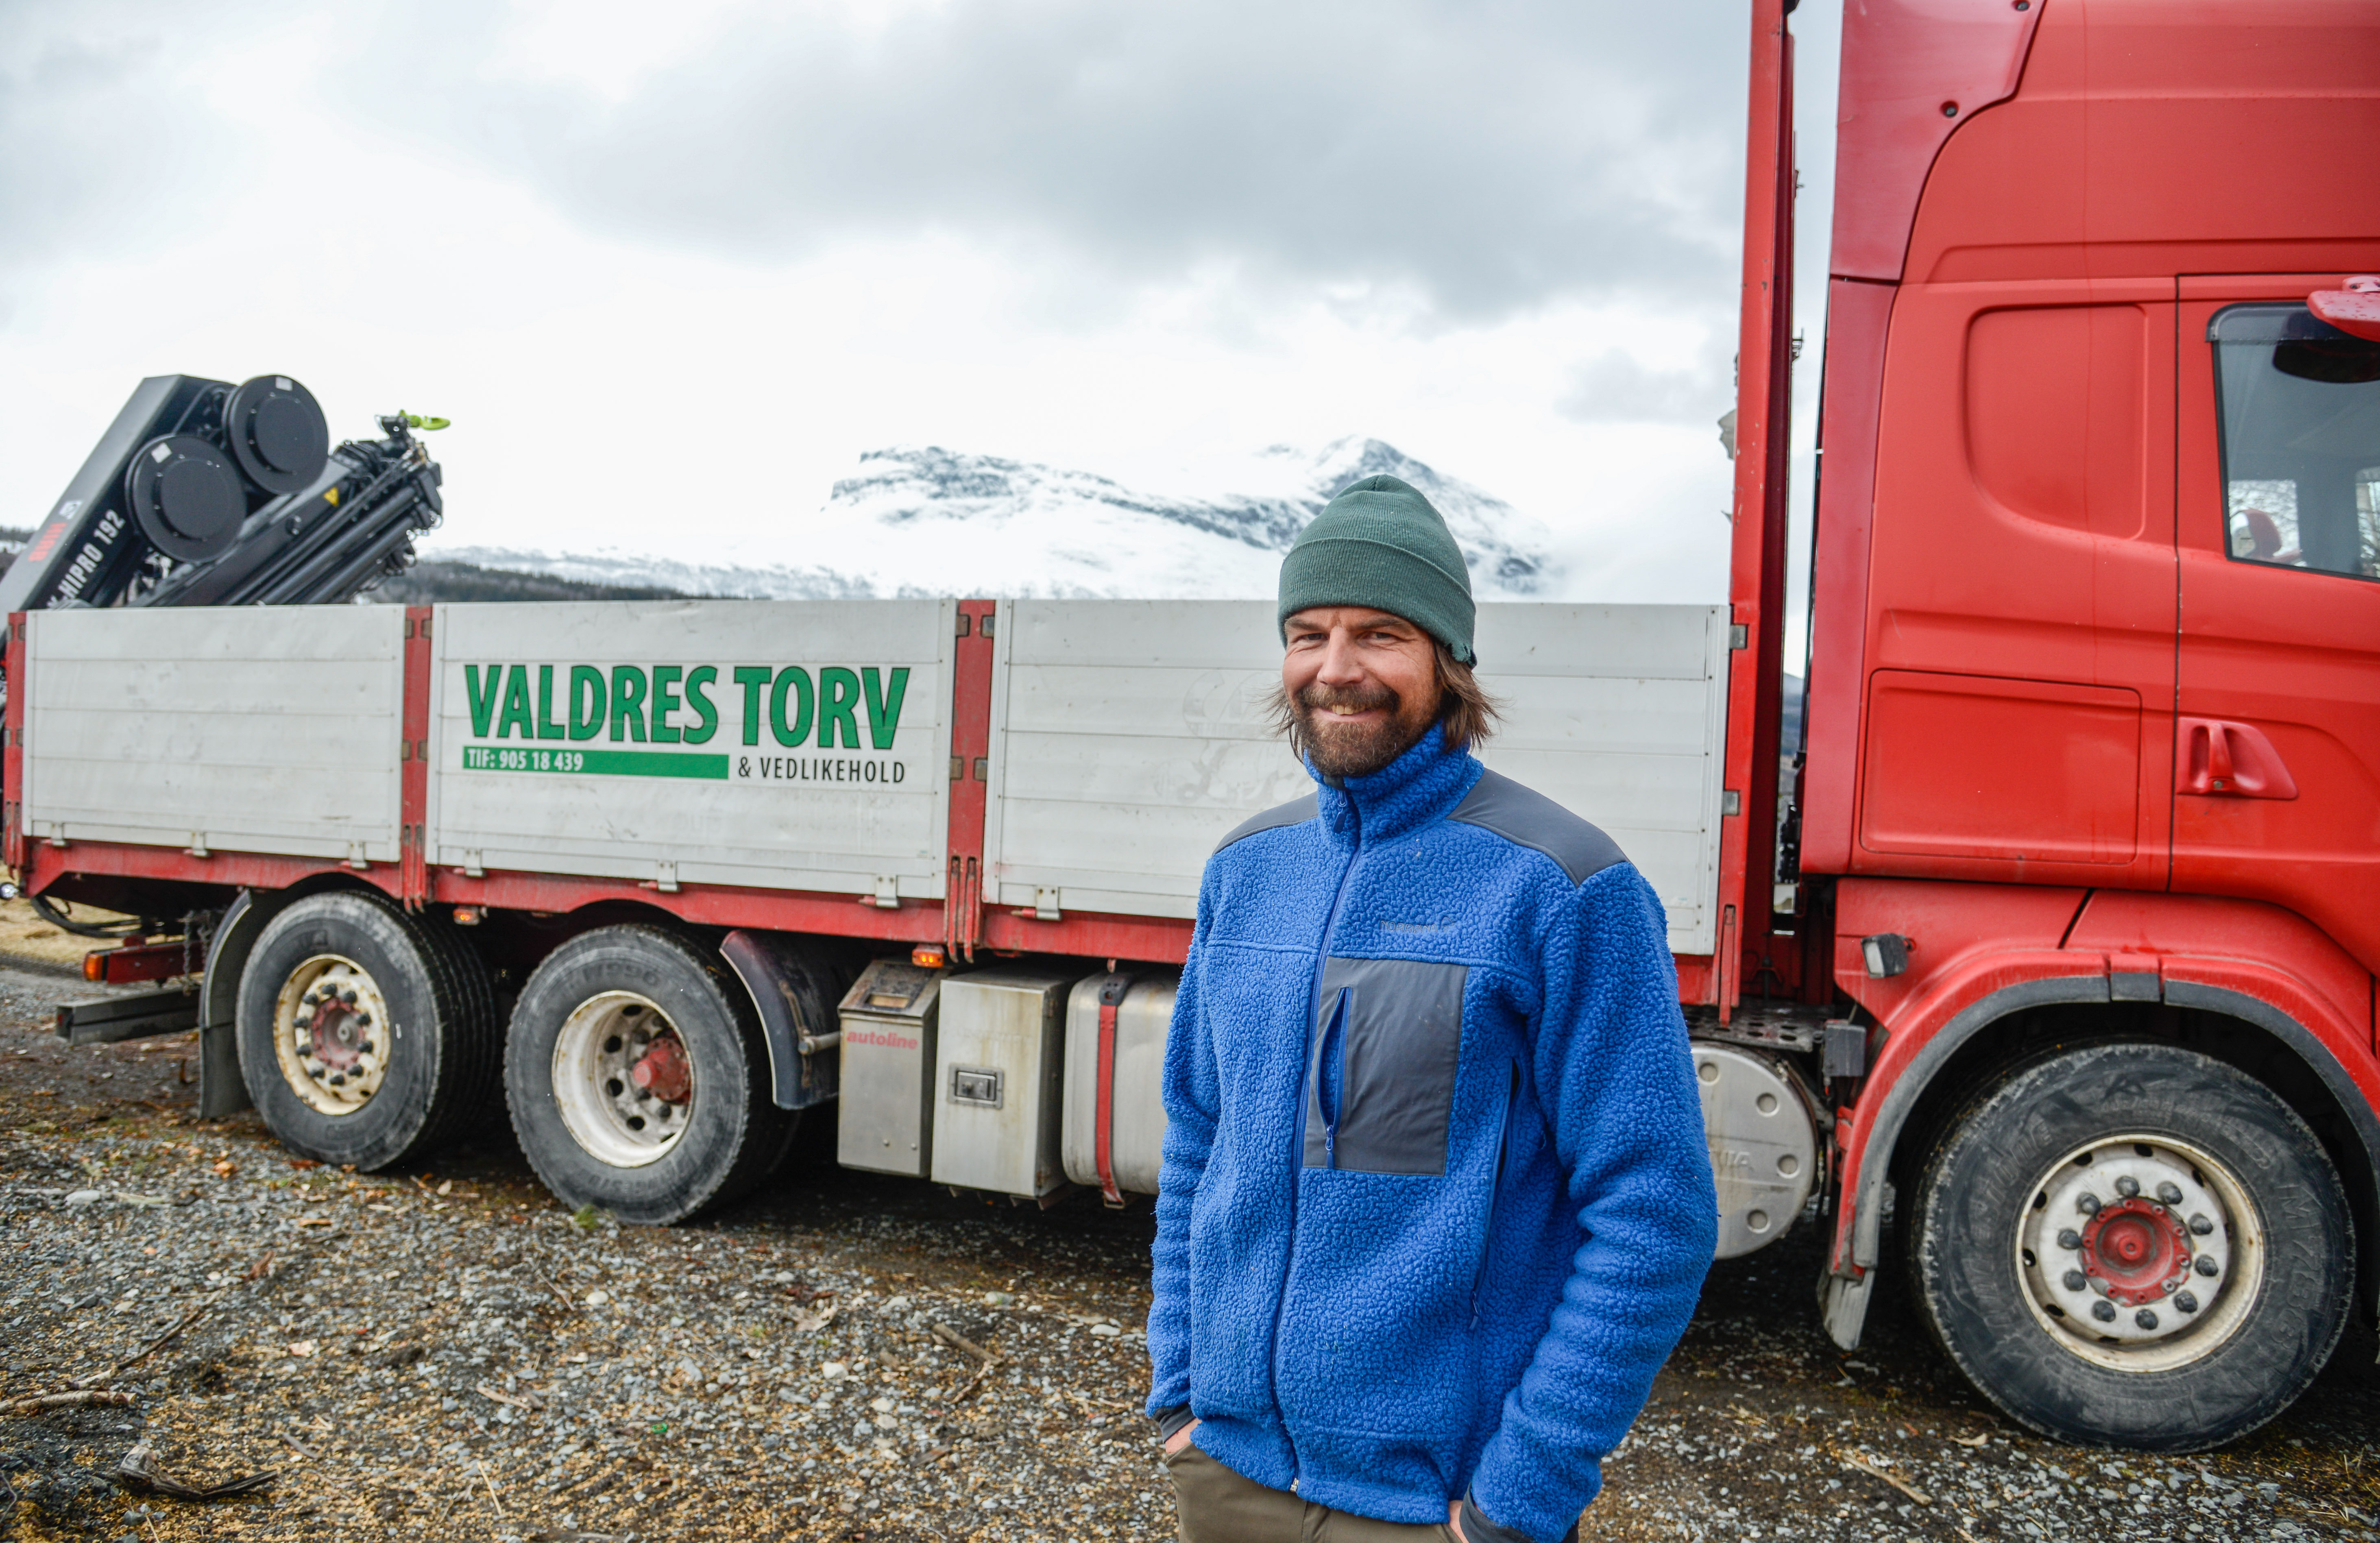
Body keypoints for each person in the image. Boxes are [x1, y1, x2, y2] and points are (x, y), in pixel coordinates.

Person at [1146, 474, 1717, 1543]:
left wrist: (1517, 1497)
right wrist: (1181, 1392)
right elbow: (1196, 1143)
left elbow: (1655, 1210)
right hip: (1225, 1476)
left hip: (1431, 1512)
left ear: (1447, 665)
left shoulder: (1559, 885)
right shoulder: (1246, 870)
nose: (1335, 666)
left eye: (1381, 632)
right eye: (1307, 632)